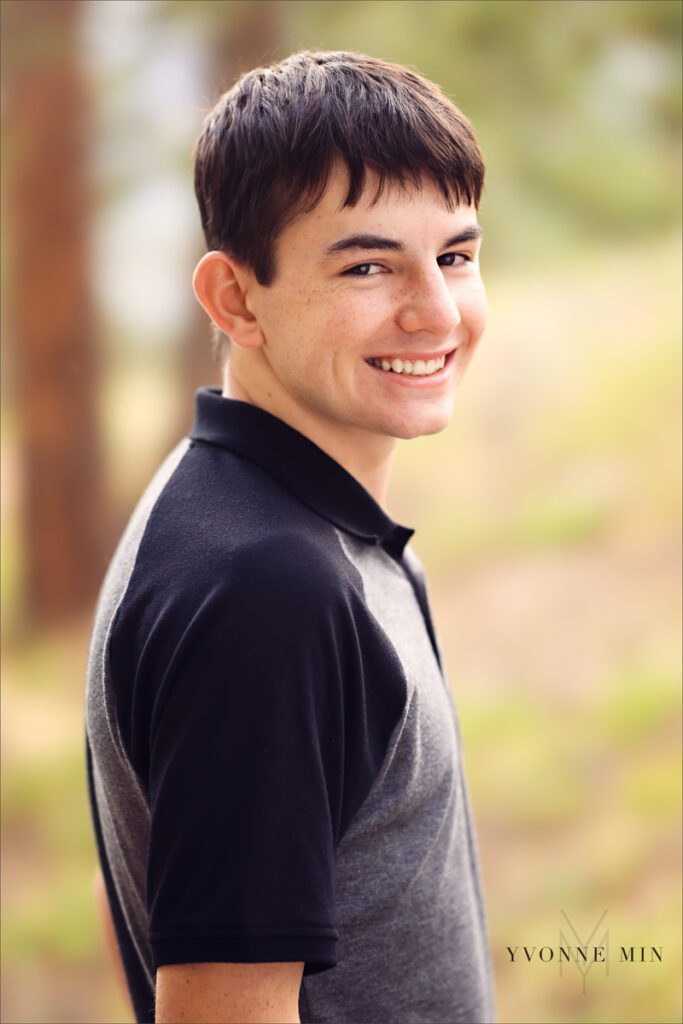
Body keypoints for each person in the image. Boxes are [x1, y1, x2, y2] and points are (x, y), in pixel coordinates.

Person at [86, 49, 495, 1024]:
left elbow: (140, 893)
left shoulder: (261, 511)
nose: (433, 311)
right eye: (365, 265)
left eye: (454, 256)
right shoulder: (268, 590)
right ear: (234, 299)